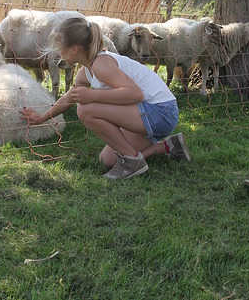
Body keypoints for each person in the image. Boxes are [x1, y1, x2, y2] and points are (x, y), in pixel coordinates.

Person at [19, 17, 191, 180]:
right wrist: (42, 117)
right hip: (149, 113)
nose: (58, 53)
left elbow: (134, 93)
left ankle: (132, 161)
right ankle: (168, 146)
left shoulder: (101, 64)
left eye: (59, 47)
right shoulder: (86, 71)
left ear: (74, 49)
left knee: (86, 109)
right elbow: (70, 97)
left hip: (161, 112)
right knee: (107, 160)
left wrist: (93, 95)